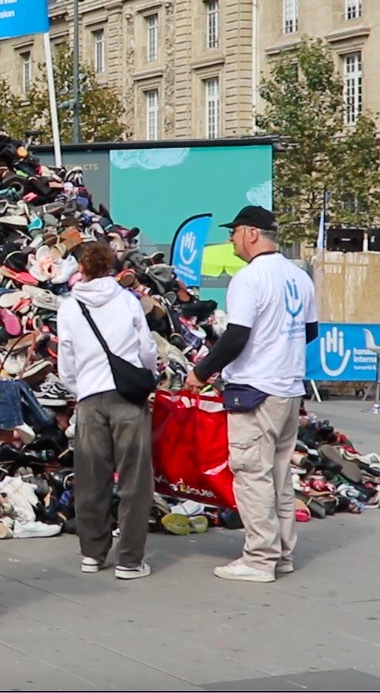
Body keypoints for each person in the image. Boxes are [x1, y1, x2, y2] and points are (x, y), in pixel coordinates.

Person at [186, 206, 317, 583]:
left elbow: (237, 335)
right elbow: (310, 331)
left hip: (256, 389)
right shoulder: (299, 277)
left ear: (251, 234)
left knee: (252, 474)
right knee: (279, 476)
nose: (231, 240)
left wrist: (201, 371)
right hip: (289, 388)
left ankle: (259, 559)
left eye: (234, 233)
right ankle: (283, 554)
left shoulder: (250, 278)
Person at [57, 242, 159, 580]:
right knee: (134, 480)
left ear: (81, 269)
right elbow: (146, 349)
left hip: (89, 399)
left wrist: (79, 388)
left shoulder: (69, 308)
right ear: (111, 267)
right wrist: (147, 375)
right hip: (128, 399)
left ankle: (92, 553)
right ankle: (129, 560)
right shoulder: (127, 301)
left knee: (90, 479)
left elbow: (66, 363)